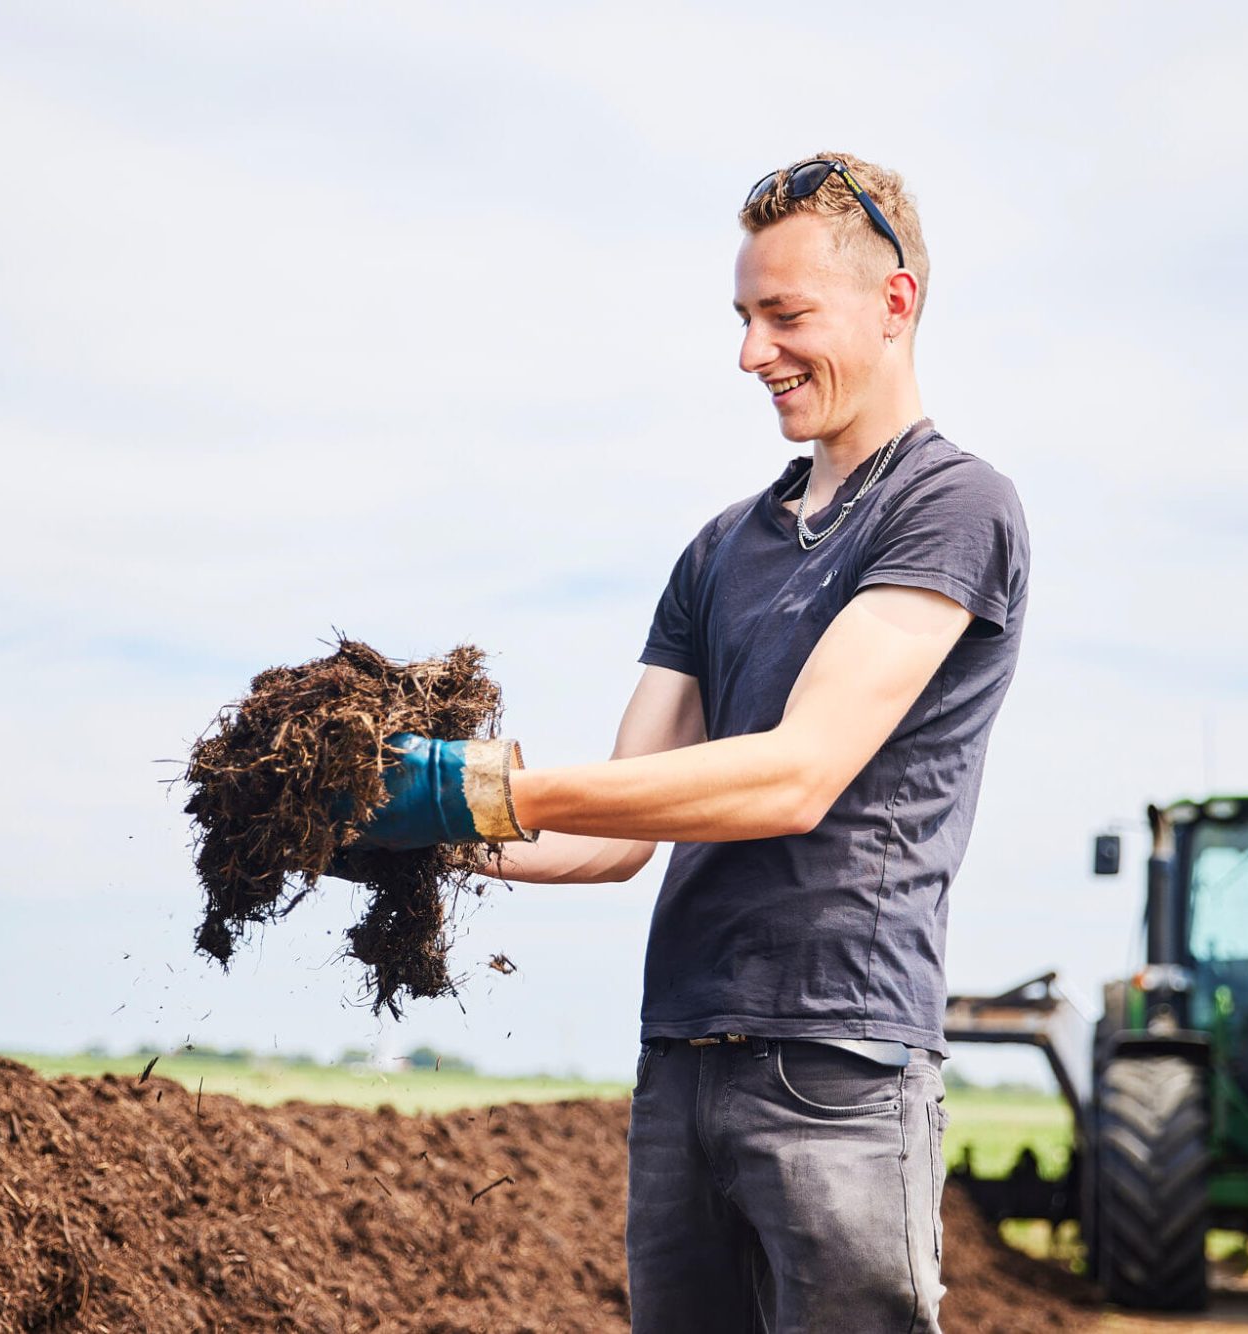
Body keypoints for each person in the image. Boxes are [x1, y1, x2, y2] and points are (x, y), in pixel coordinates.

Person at [338, 151, 1029, 1333]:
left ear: (893, 302)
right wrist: (400, 834)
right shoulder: (719, 549)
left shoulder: (951, 506)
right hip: (680, 1054)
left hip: (838, 1059)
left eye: (785, 315)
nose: (752, 352)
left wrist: (478, 786)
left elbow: (796, 774)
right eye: (743, 317)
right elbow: (613, 831)